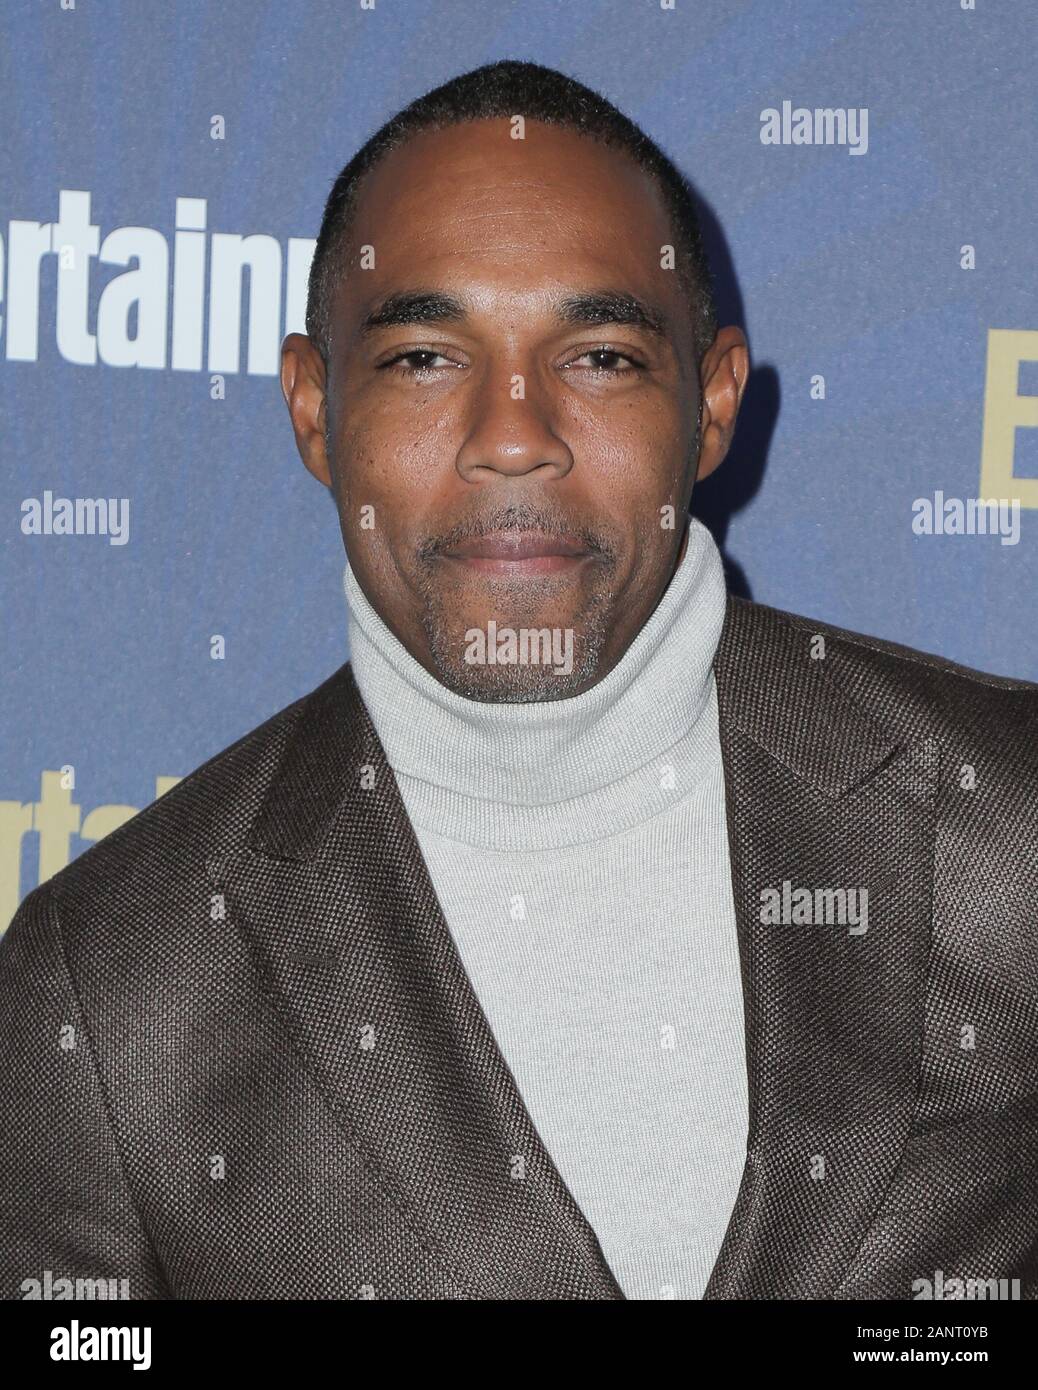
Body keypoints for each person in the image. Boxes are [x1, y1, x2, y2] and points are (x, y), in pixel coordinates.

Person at [2, 60, 1035, 1302]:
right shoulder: (113, 989)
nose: (511, 435)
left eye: (598, 355)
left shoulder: (1010, 824)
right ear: (315, 409)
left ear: (710, 406)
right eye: (424, 358)